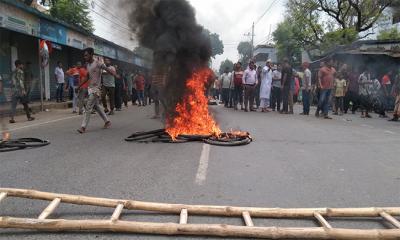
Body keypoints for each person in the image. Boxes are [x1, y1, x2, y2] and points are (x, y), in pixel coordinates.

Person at [77, 48, 117, 134]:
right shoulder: (88, 65)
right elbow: (87, 77)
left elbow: (106, 68)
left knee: (88, 106)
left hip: (97, 89)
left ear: (91, 54)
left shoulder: (98, 63)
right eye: (84, 55)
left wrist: (114, 74)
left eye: (86, 55)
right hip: (90, 88)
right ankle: (107, 121)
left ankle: (83, 127)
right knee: (96, 106)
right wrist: (79, 86)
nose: (85, 57)